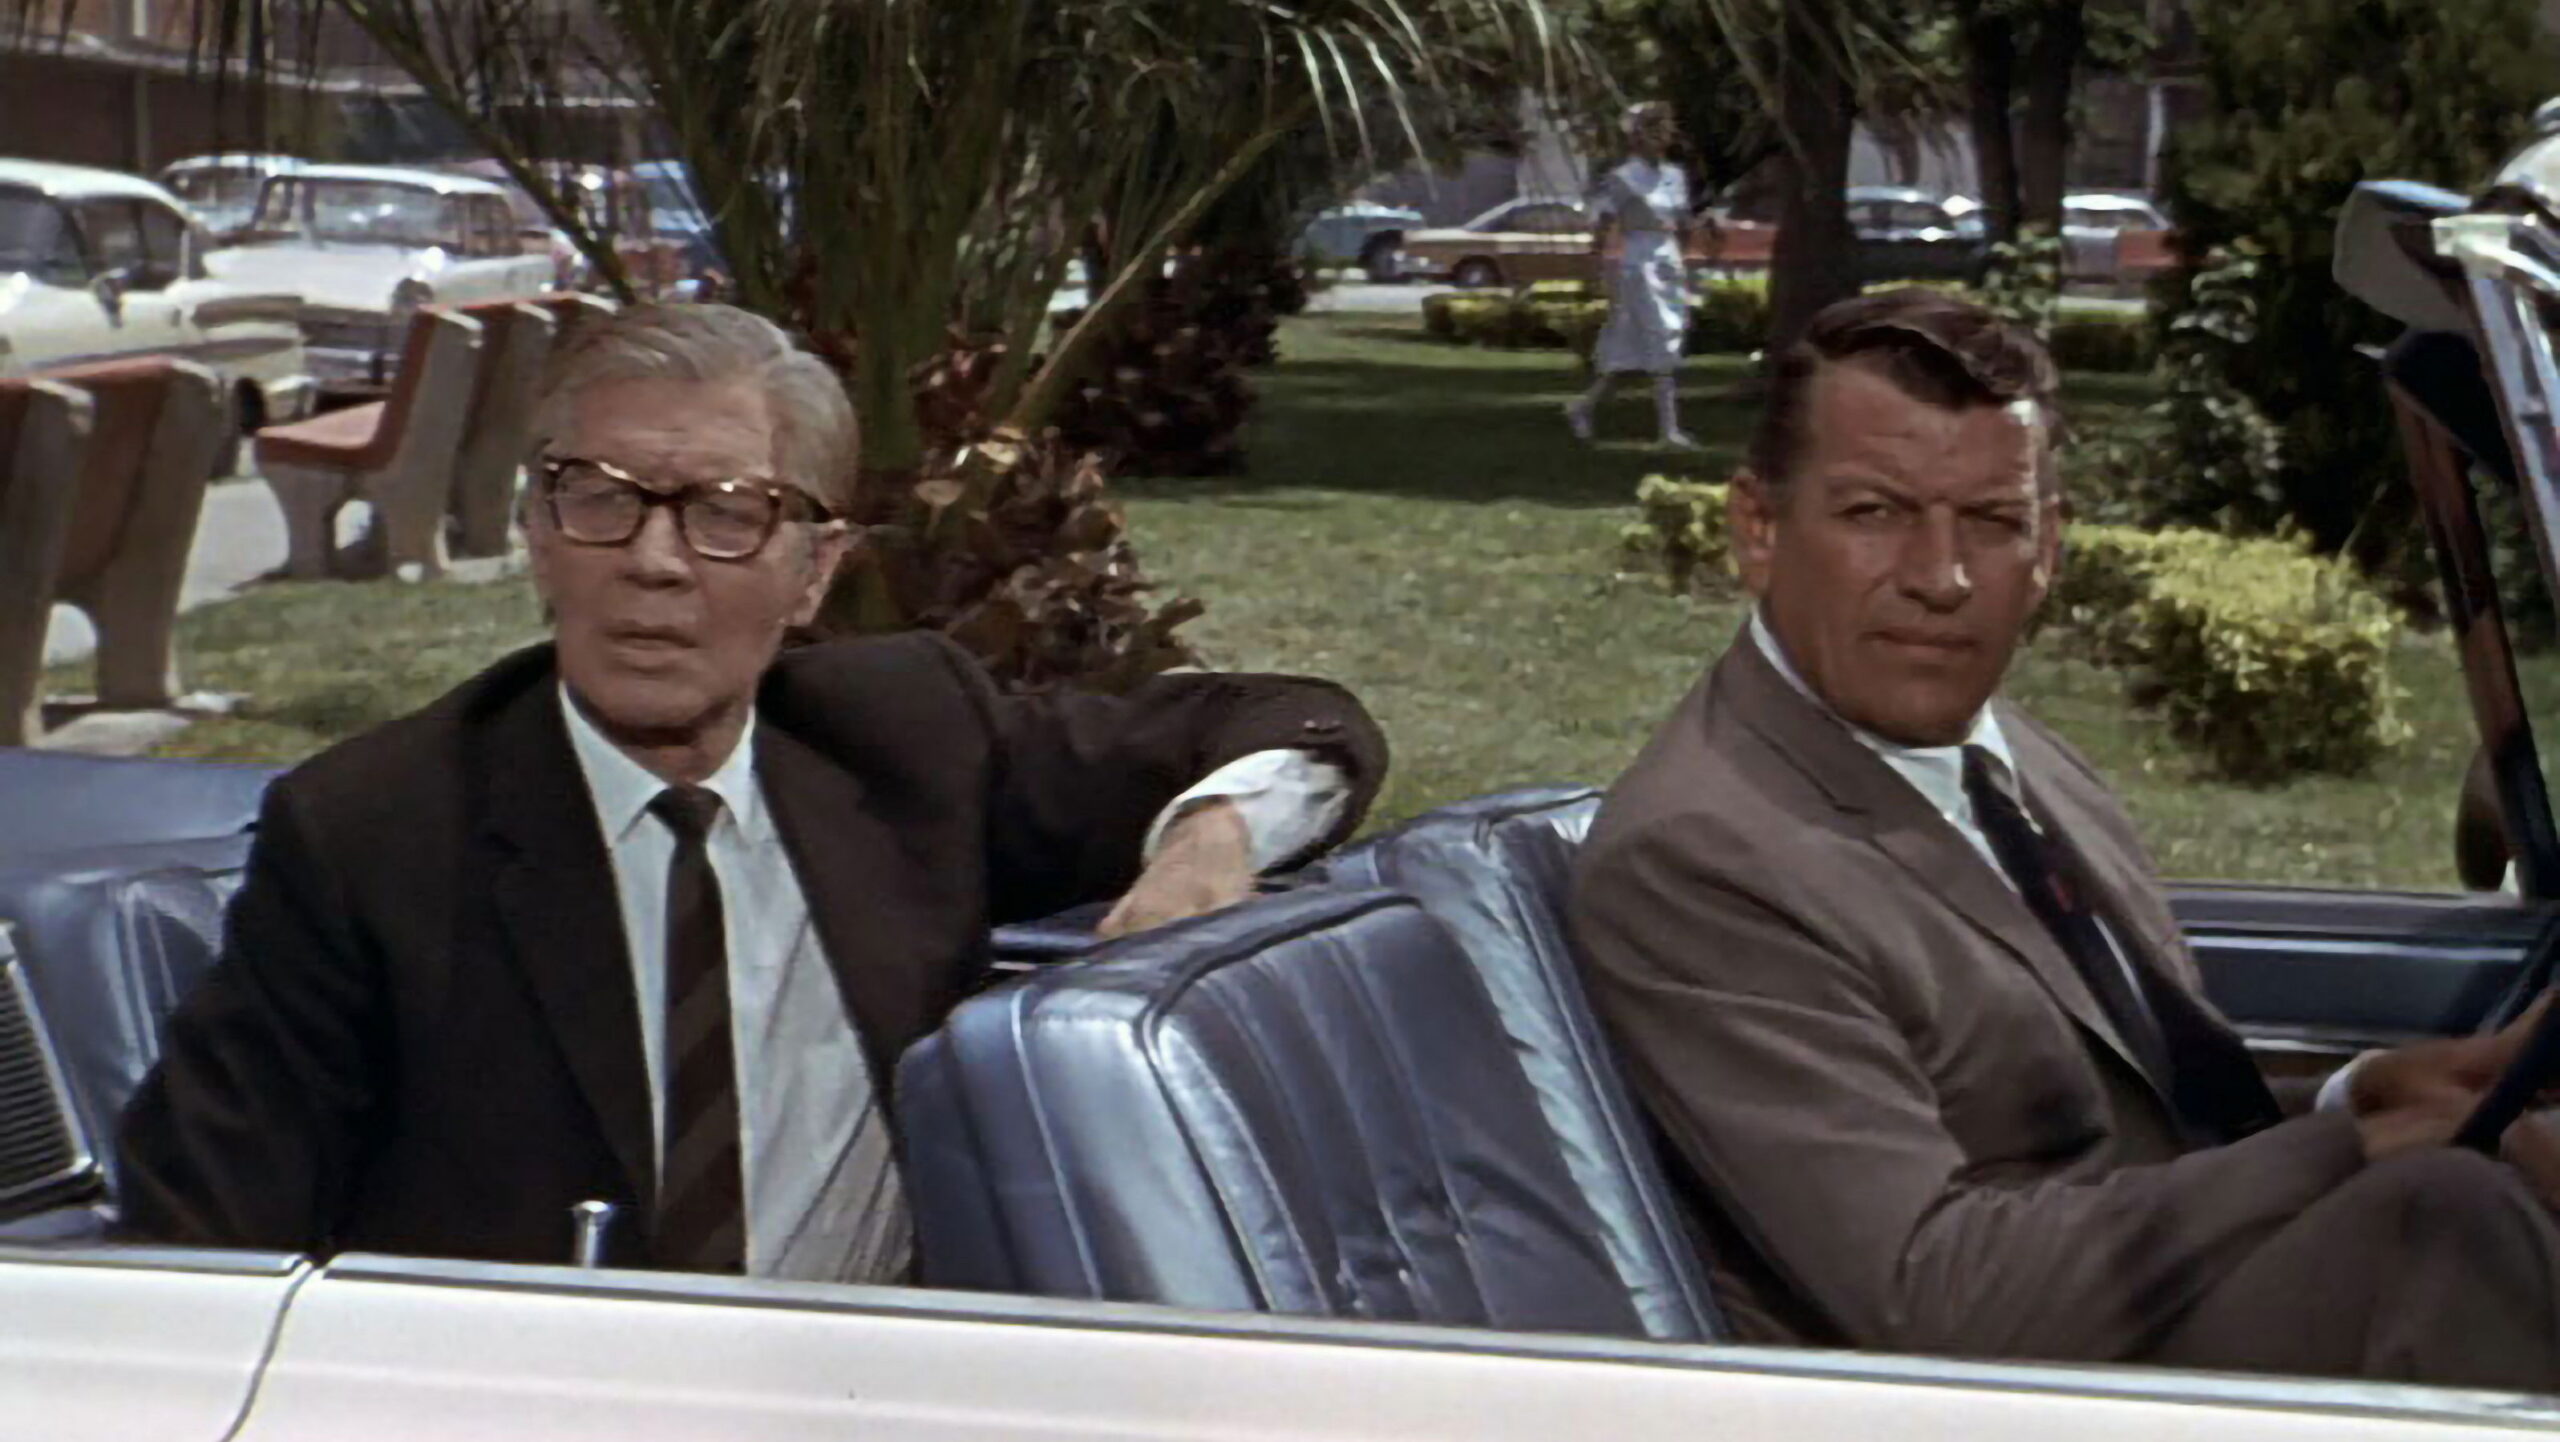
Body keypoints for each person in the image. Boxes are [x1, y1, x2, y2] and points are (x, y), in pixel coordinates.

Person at [116, 302, 1387, 1282]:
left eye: (728, 514)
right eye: (601, 500)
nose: (655, 562)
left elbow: (1294, 721)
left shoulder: (905, 739)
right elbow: (200, 1247)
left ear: (815, 569)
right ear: (541, 537)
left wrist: (1212, 834)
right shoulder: (373, 830)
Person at [1568, 287, 2560, 1389]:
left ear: (2047, 544)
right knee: (2446, 1223)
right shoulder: (1703, 855)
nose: (1940, 578)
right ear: (1758, 529)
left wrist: (2361, 1099)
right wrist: (2354, 1150)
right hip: (1984, 1391)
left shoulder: (2008, 757)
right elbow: (1929, 1294)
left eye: (1991, 522)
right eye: (1874, 513)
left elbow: (2157, 1120)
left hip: (2131, 1310)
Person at [1566, 101, 1698, 451]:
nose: (1660, 137)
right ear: (1636, 137)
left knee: (1634, 347)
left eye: (1663, 130)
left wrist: (1689, 249)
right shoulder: (1623, 178)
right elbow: (1604, 222)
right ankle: (1669, 429)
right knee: (1659, 336)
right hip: (1640, 263)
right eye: (1652, 130)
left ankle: (1583, 407)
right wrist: (1594, 265)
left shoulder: (1674, 176)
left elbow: (1682, 221)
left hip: (1668, 260)